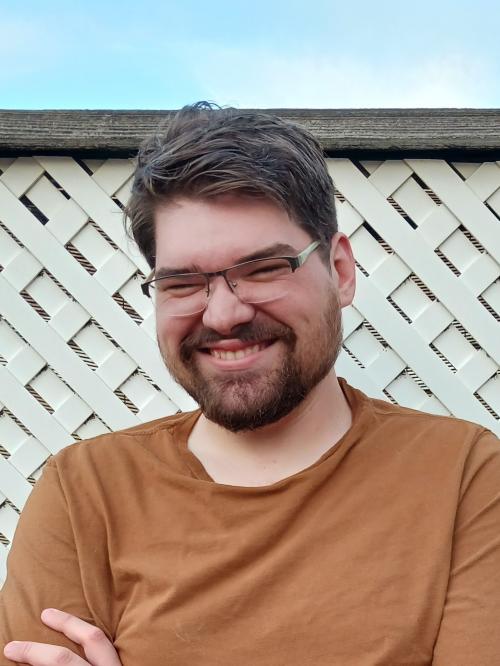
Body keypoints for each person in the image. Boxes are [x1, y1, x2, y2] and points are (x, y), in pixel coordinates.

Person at [1, 103, 500, 666]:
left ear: (340, 272)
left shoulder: (462, 475)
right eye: (182, 282)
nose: (223, 315)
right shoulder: (85, 492)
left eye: (263, 269)